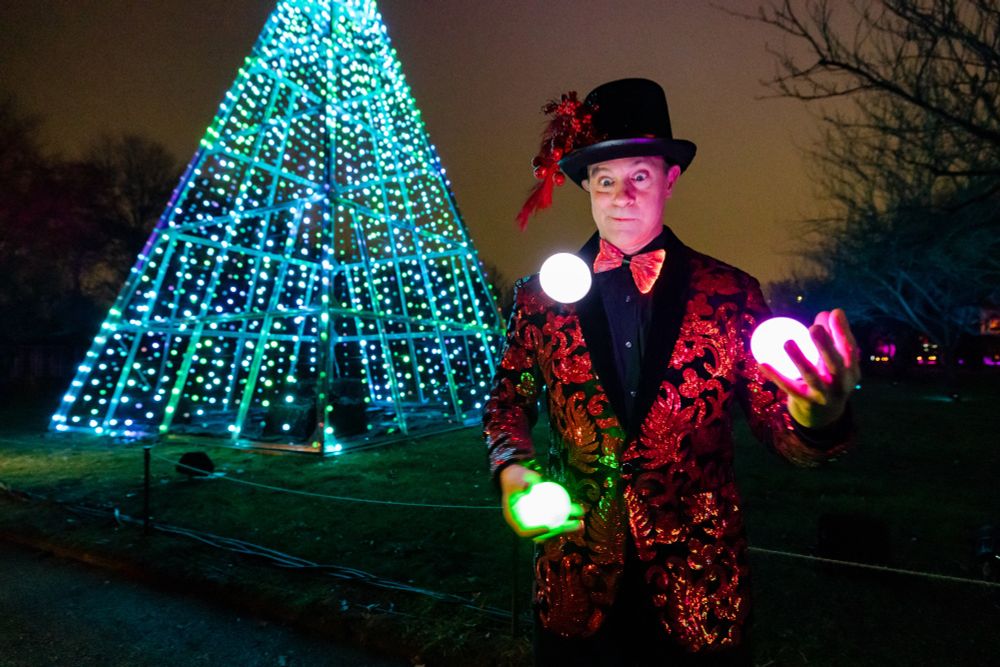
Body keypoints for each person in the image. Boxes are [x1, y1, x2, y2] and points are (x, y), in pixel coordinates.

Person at [483, 78, 859, 666]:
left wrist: (819, 415)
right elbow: (507, 402)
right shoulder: (539, 297)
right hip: (576, 574)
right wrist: (513, 472)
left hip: (700, 583)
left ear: (670, 179)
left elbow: (779, 429)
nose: (622, 196)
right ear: (586, 188)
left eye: (639, 176)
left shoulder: (731, 294)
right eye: (605, 180)